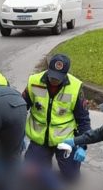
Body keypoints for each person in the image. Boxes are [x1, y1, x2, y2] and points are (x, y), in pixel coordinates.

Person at [21, 53, 91, 183]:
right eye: (52, 76)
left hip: (65, 141)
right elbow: (21, 108)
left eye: (58, 78)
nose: (54, 80)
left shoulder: (75, 87)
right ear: (48, 70)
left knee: (71, 177)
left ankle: (57, 169)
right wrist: (19, 135)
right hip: (40, 140)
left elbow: (83, 120)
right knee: (30, 176)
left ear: (66, 75)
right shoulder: (34, 82)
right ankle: (43, 166)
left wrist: (82, 145)